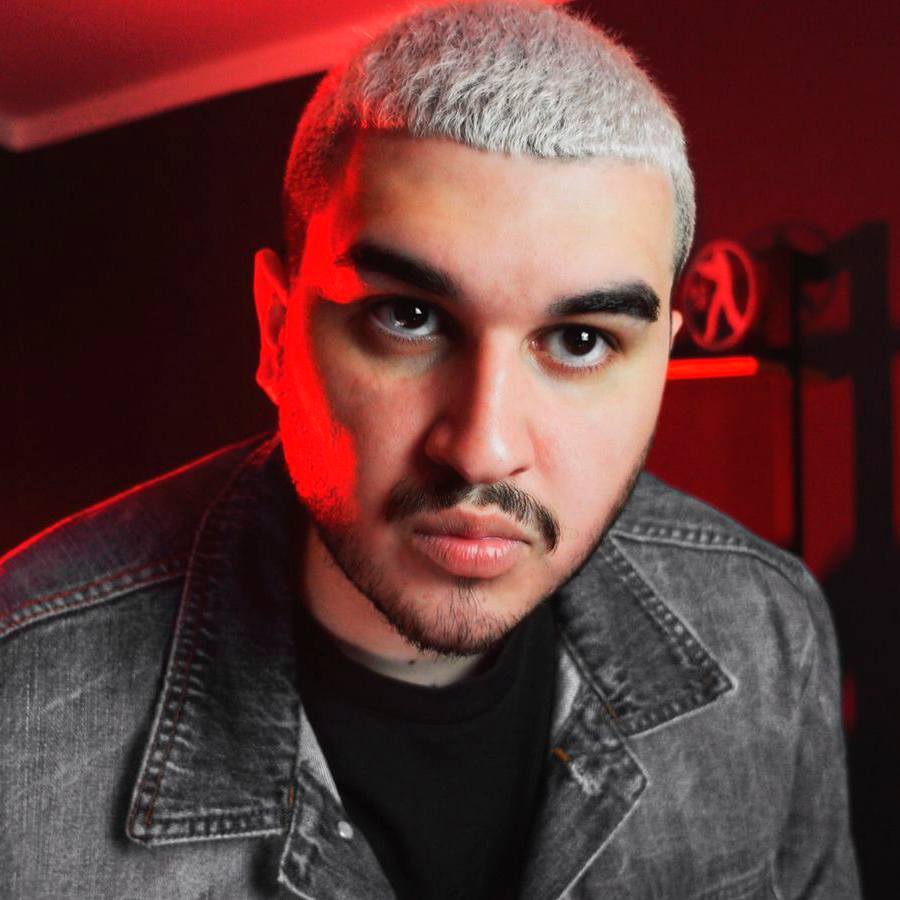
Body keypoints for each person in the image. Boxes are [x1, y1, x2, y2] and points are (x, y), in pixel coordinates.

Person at [0, 2, 859, 897]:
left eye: (580, 341)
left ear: (663, 366)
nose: (482, 452)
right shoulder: (19, 704)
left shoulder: (768, 629)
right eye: (407, 318)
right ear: (277, 332)